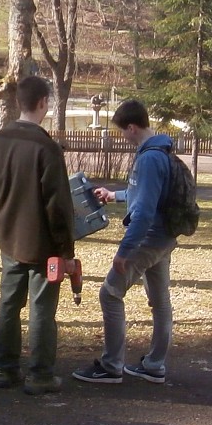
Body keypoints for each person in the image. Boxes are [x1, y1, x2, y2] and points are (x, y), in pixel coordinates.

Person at [0, 76, 75, 395]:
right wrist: (66, 249)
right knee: (41, 309)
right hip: (44, 243)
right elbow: (58, 205)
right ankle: (40, 374)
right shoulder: (46, 147)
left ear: (19, 102)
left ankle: (5, 368)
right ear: (43, 102)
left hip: (8, 238)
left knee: (8, 303)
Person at [72, 99, 179, 386]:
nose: (122, 136)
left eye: (122, 131)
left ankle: (111, 366)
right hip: (164, 237)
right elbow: (146, 194)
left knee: (110, 294)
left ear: (131, 128)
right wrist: (115, 195)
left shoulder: (149, 158)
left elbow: (143, 212)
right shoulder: (162, 150)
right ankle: (154, 365)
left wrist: (124, 252)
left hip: (148, 238)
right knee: (160, 301)